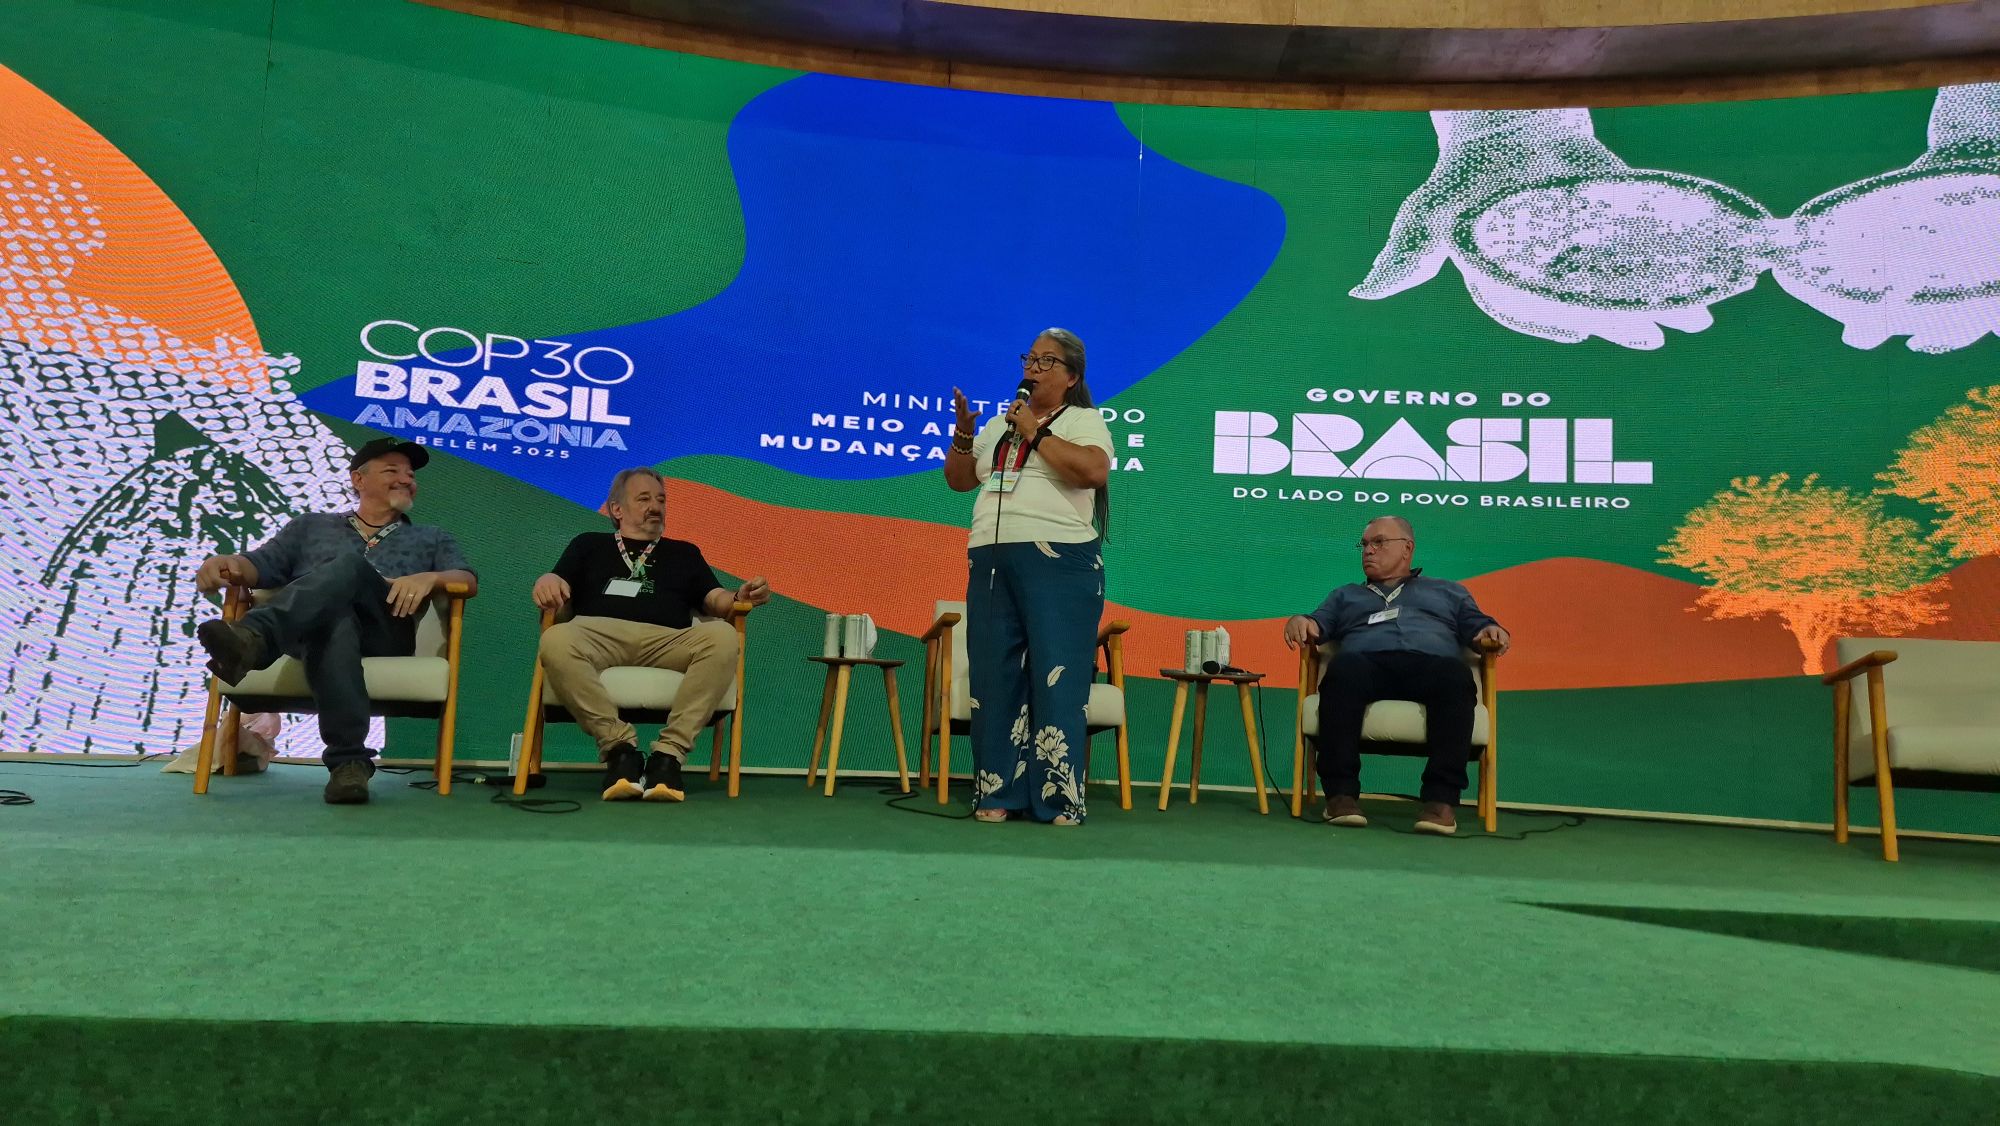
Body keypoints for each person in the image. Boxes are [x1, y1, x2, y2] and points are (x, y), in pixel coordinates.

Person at [193, 438, 478, 805]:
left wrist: (432, 578)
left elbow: (466, 580)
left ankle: (255, 639)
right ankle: (348, 765)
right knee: (334, 622)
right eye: (392, 470)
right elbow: (258, 565)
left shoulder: (431, 537)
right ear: (358, 479)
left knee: (350, 567)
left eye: (410, 474)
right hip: (309, 631)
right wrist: (224, 561)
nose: (406, 479)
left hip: (386, 631)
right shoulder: (310, 526)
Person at [943, 328, 1112, 826]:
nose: (1032, 369)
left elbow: (1093, 472)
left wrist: (1037, 432)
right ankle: (997, 791)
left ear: (1071, 376)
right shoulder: (1002, 423)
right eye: (1029, 359)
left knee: (1057, 674)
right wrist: (964, 436)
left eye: (1046, 361)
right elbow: (959, 480)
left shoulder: (1083, 419)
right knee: (994, 674)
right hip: (991, 554)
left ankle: (1059, 799)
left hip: (1059, 558)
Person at [533, 467, 771, 803]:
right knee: (556, 639)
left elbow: (715, 599)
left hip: (667, 641)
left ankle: (668, 756)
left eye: (660, 499)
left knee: (723, 636)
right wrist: (548, 579)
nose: (655, 506)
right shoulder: (589, 544)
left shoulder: (685, 553)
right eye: (644, 499)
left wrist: (738, 597)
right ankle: (619, 750)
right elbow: (558, 583)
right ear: (617, 509)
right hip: (598, 635)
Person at [1282, 516, 1509, 836]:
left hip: (1430, 666)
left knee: (1455, 676)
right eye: (1364, 544)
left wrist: (1491, 630)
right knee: (1342, 670)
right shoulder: (1345, 596)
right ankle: (1340, 795)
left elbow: (1479, 625)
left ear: (1407, 549)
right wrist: (1301, 621)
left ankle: (1441, 801)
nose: (1368, 550)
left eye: (1378, 542)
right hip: (1366, 665)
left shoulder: (1448, 592)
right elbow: (1317, 624)